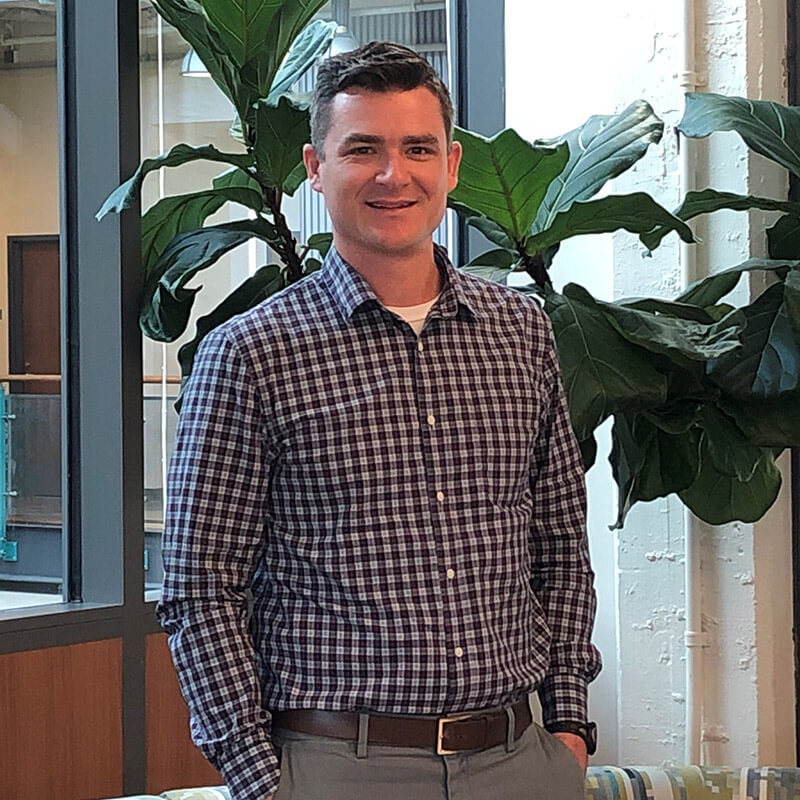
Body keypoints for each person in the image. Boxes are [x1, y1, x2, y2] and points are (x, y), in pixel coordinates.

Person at [157, 40, 601, 800]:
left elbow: (559, 540)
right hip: (337, 766)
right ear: (316, 167)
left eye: (417, 148)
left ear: (452, 166)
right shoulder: (250, 353)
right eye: (362, 149)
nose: (394, 175)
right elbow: (201, 586)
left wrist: (568, 728)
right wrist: (262, 781)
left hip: (520, 761)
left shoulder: (521, 331)